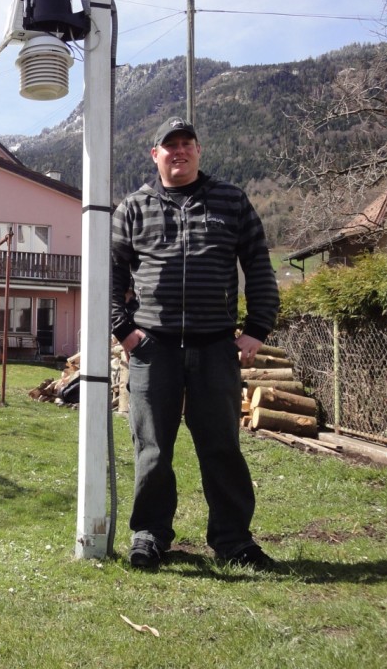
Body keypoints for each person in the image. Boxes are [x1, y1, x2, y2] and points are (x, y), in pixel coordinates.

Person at [110, 115, 280, 571]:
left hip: (215, 348)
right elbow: (111, 273)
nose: (179, 151)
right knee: (152, 449)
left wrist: (257, 327)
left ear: (198, 151)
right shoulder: (134, 207)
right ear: (156, 155)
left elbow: (259, 266)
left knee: (222, 447)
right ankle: (149, 535)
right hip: (153, 350)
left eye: (187, 144)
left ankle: (233, 540)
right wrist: (124, 329)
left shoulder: (231, 200)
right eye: (170, 146)